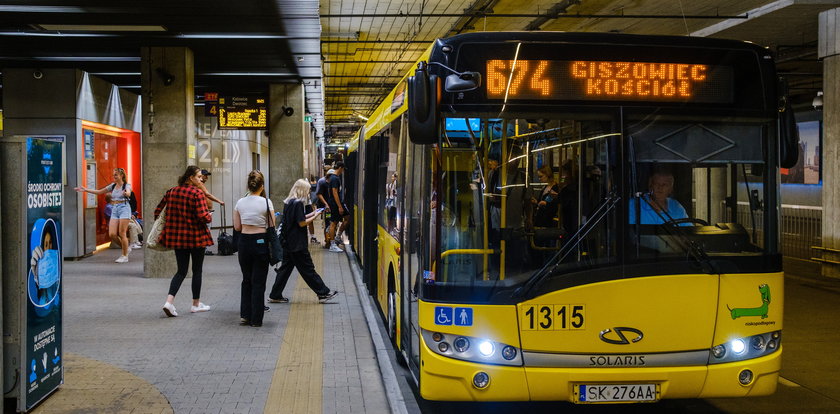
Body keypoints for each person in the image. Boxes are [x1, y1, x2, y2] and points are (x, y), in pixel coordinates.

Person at [155, 166, 214, 317]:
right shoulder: (197, 193)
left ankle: (169, 302)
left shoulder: (172, 192)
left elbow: (158, 212)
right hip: (196, 238)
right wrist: (209, 216)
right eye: (199, 177)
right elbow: (203, 216)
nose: (201, 179)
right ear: (190, 178)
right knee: (197, 270)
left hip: (178, 238)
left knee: (181, 271)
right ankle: (195, 304)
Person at [268, 179, 339, 304]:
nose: (308, 193)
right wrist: (315, 216)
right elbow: (301, 223)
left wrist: (313, 213)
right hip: (297, 244)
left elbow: (299, 218)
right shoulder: (298, 203)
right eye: (307, 190)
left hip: (289, 242)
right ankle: (323, 292)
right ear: (302, 190)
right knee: (308, 269)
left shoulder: (289, 202)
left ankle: (275, 294)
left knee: (285, 270)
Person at [233, 170, 274, 327]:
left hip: (244, 242)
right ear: (262, 186)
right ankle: (256, 320)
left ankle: (245, 315)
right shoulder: (266, 202)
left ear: (248, 186)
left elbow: (237, 226)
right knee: (259, 282)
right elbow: (272, 225)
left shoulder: (240, 202)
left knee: (246, 279)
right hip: (260, 242)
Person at [74, 167, 134, 263]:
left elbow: (129, 193)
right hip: (115, 208)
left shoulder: (126, 185)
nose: (113, 176)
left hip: (124, 208)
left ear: (121, 176)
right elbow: (99, 192)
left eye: (116, 175)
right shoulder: (113, 186)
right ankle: (125, 247)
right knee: (112, 234)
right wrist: (85, 190)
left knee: (122, 233)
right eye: (113, 174)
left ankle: (124, 255)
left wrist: (126, 193)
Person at [327, 161, 350, 252]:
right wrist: (340, 206)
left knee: (347, 217)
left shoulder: (334, 178)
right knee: (333, 223)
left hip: (336, 203)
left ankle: (337, 236)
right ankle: (333, 245)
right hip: (335, 204)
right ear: (340, 168)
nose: (343, 171)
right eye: (343, 169)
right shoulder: (334, 178)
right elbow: (335, 192)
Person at [316, 170, 334, 248]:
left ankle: (330, 239)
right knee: (328, 222)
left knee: (332, 223)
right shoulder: (322, 182)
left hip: (332, 206)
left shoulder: (333, 181)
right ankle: (327, 241)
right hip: (326, 208)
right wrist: (326, 204)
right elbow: (319, 194)